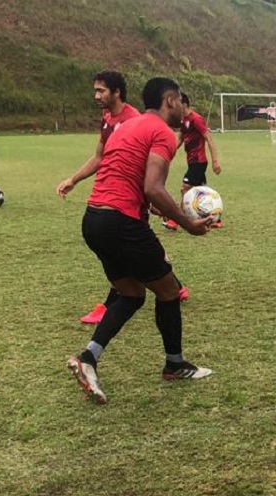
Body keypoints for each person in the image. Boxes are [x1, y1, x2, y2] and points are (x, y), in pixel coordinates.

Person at [66, 77, 215, 405]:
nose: (182, 108)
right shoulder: (163, 132)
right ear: (170, 101)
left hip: (94, 219)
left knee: (131, 294)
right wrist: (188, 223)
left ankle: (88, 358)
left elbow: (124, 173)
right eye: (179, 101)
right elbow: (153, 187)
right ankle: (175, 365)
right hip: (122, 223)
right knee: (169, 290)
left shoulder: (128, 126)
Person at [56, 70, 190, 325]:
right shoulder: (108, 119)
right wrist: (73, 179)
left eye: (101, 90)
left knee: (132, 255)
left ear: (116, 92)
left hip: (127, 206)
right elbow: (100, 157)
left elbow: (143, 168)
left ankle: (115, 306)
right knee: (133, 257)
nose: (96, 96)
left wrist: (152, 202)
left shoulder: (134, 119)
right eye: (95, 90)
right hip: (114, 206)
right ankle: (167, 288)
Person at [163, 92, 220, 230]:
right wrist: (169, 154)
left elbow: (209, 138)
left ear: (184, 104)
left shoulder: (196, 119)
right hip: (192, 161)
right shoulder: (184, 120)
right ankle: (215, 220)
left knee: (184, 189)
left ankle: (175, 221)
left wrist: (215, 161)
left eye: (177, 103)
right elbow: (180, 139)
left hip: (199, 162)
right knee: (204, 191)